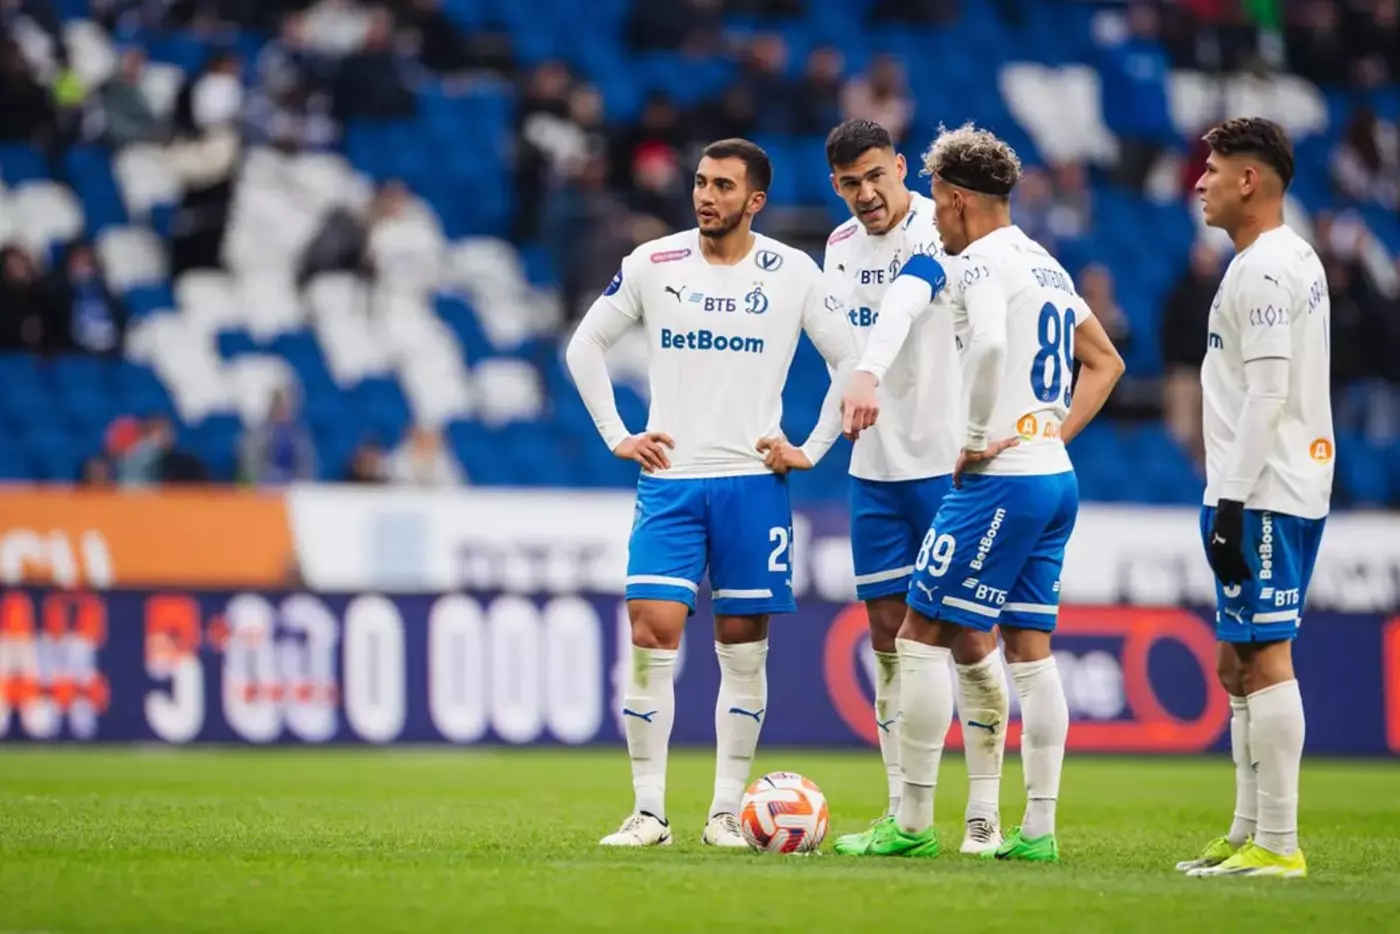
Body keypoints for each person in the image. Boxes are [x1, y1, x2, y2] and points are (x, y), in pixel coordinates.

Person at [838, 123, 1125, 862]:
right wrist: (1052, 434)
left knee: (917, 636)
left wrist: (971, 438)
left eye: (935, 199)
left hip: (999, 481)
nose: (932, 214)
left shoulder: (976, 263)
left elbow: (991, 343)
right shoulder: (1044, 262)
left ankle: (910, 823)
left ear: (959, 199)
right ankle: (1037, 832)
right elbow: (1106, 362)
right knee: (1030, 651)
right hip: (1053, 478)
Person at [565, 138, 858, 848]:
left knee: (743, 649)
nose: (705, 195)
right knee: (649, 634)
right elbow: (584, 346)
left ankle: (725, 813)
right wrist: (617, 434)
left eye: (723, 185)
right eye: (700, 182)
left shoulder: (793, 271)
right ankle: (649, 813)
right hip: (670, 481)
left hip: (753, 485)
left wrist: (812, 447)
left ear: (755, 200)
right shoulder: (653, 262)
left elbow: (852, 359)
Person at [809, 119, 1009, 856]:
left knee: (970, 636)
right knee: (888, 642)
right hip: (875, 473)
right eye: (849, 184)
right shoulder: (837, 246)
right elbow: (843, 358)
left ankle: (984, 814)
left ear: (900, 167)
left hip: (948, 466)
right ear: (836, 186)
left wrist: (866, 374)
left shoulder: (937, 226)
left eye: (875, 176)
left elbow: (905, 301)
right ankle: (904, 814)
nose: (866, 194)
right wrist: (813, 445)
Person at [1177, 117, 1331, 880]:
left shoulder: (1266, 268)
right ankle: (1245, 833)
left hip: (1265, 489)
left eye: (1212, 170)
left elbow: (1269, 393)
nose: (1199, 182)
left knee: (1266, 656)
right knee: (1235, 661)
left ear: (1249, 180)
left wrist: (1233, 502)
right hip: (1253, 483)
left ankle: (1279, 841)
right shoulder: (1280, 256)